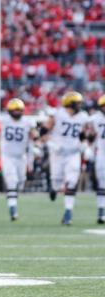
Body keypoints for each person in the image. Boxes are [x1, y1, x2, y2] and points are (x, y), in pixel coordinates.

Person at [46, 91, 92, 225]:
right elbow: (44, 130)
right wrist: (50, 143)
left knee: (72, 181)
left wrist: (85, 145)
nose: (80, 105)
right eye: (77, 103)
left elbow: (83, 134)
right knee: (56, 180)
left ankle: (68, 213)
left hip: (73, 153)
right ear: (69, 103)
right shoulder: (58, 114)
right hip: (58, 153)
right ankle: (54, 189)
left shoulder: (83, 117)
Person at [0, 98, 34, 221]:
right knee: (12, 180)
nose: (17, 112)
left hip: (21, 156)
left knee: (20, 182)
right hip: (7, 155)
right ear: (9, 111)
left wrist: (31, 160)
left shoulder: (27, 122)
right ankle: (13, 210)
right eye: (15, 110)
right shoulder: (3, 121)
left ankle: (11, 196)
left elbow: (32, 140)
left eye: (19, 110)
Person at [87, 96, 105, 224]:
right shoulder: (94, 119)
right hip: (102, 154)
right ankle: (101, 210)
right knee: (102, 184)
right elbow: (89, 138)